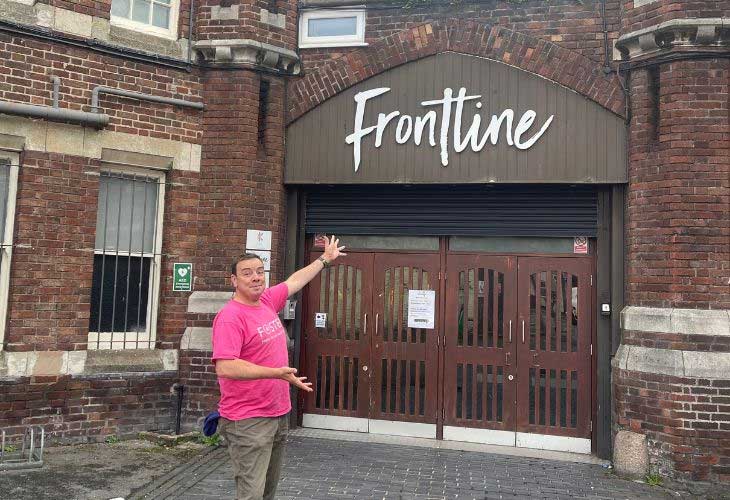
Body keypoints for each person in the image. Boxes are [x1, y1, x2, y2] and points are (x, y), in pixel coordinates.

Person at [211, 235, 345, 500]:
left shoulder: (266, 302)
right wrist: (276, 373)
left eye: (260, 272)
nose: (256, 277)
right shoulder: (230, 317)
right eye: (247, 273)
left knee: (267, 492)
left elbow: (295, 281)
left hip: (276, 413)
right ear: (234, 281)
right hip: (248, 421)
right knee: (251, 494)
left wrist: (324, 260)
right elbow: (225, 367)